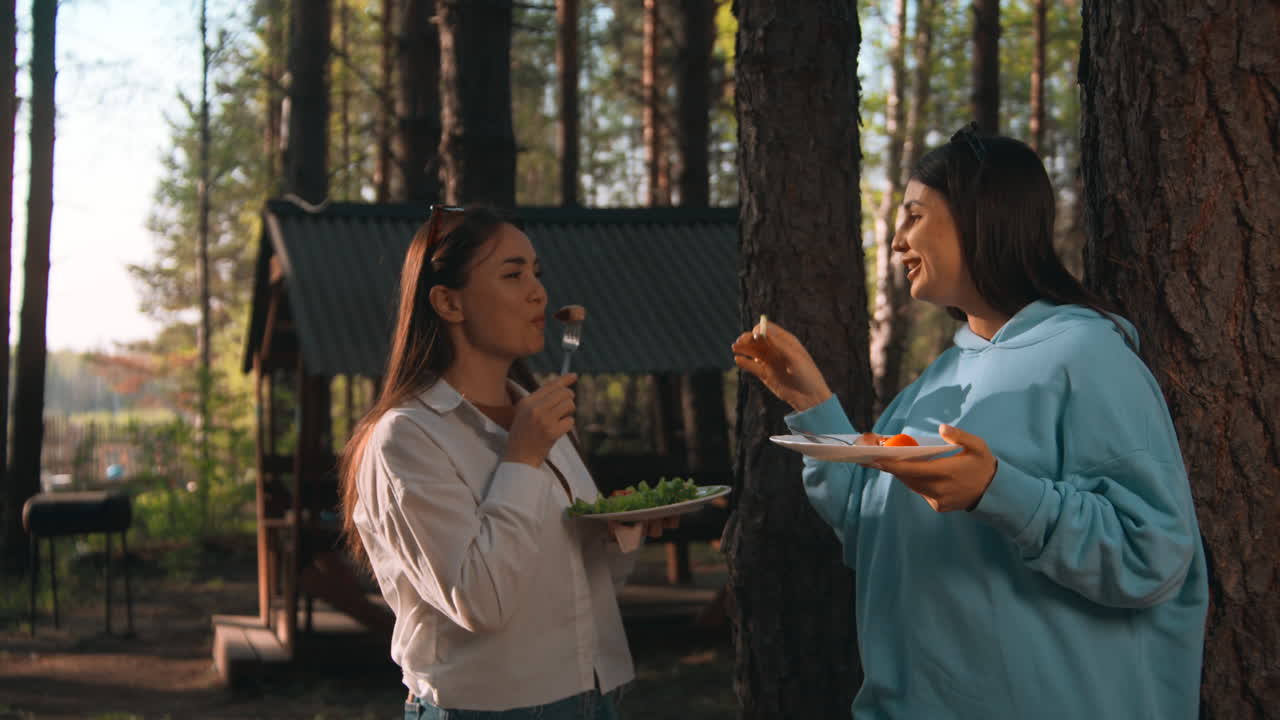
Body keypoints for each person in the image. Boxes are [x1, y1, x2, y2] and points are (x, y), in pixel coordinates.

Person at [732, 126, 1208, 719]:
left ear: (981, 217)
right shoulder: (935, 382)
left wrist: (996, 491)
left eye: (913, 216)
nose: (897, 241)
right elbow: (869, 533)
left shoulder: (1087, 357)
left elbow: (1152, 555)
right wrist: (812, 402)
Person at [338, 205, 674, 720]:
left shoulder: (535, 415)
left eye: (536, 273)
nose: (538, 292)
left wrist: (619, 531)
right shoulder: (406, 438)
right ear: (449, 302)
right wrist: (521, 459)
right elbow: (481, 602)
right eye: (513, 274)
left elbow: (572, 588)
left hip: (593, 696)